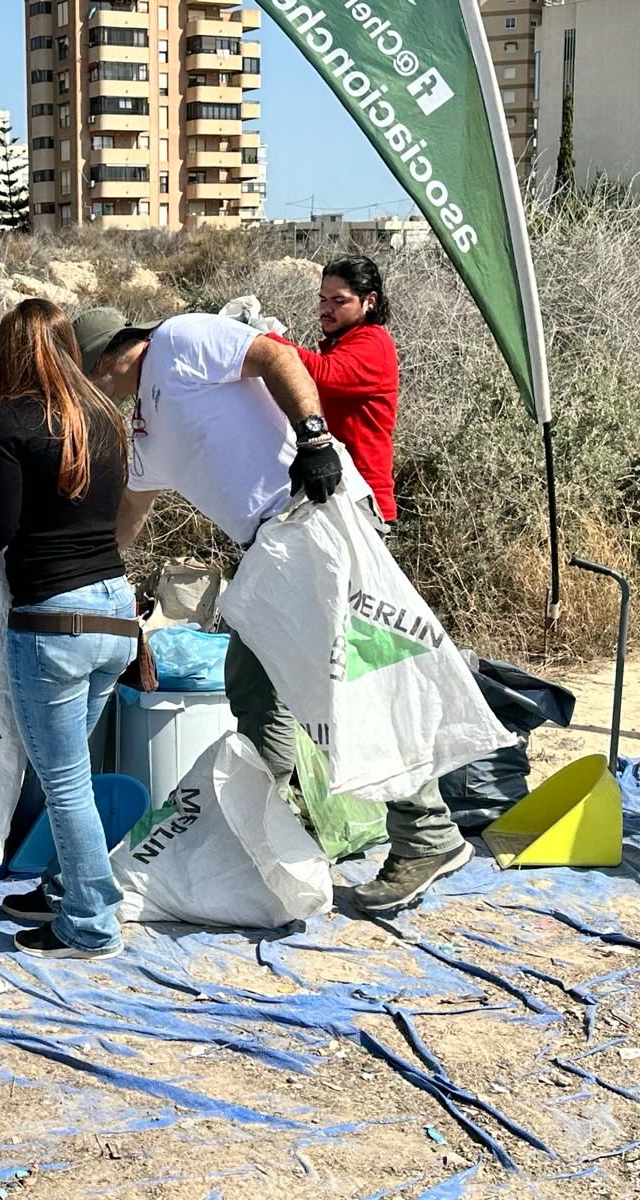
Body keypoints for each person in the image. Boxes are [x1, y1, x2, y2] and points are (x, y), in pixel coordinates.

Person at [73, 306, 471, 914]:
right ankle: (261, 839)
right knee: (256, 691)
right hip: (270, 549)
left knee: (350, 686)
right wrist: (86, 563)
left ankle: (426, 833)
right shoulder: (146, 423)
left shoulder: (179, 340)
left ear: (102, 360)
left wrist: (313, 438)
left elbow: (274, 355)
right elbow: (134, 506)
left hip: (309, 516)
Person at [0, 298, 136, 961]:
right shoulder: (108, 417)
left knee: (64, 779)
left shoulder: (15, 421)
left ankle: (90, 922)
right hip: (116, 613)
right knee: (73, 768)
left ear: (12, 355)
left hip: (53, 622)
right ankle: (63, 887)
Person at [276, 256, 400, 523]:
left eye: (339, 301)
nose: (326, 309)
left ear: (370, 301)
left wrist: (269, 345)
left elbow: (323, 374)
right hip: (336, 495)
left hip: (363, 502)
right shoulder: (344, 343)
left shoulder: (374, 343)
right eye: (323, 299)